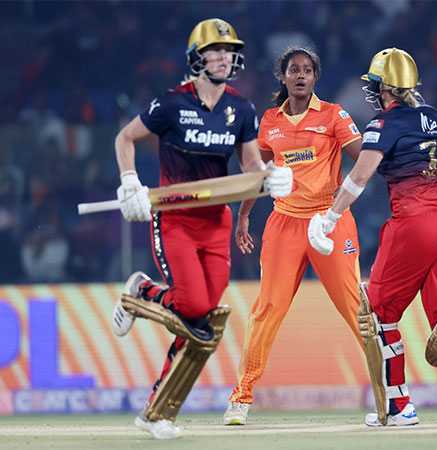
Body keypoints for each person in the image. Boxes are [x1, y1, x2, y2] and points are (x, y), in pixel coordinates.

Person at [109, 18, 292, 439]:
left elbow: (249, 164)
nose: (225, 56)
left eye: (230, 50)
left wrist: (270, 175)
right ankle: (141, 291)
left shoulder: (241, 109)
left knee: (202, 320)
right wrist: (130, 181)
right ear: (197, 57)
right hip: (174, 218)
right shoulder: (172, 104)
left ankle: (158, 409)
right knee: (192, 306)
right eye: (216, 50)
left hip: (216, 222)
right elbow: (124, 138)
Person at [308, 48, 437, 426]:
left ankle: (400, 407)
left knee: (379, 313)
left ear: (383, 87)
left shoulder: (383, 125)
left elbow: (360, 178)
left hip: (416, 225)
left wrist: (330, 217)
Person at [223, 47, 364, 426]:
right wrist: (244, 217)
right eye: (293, 70)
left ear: (315, 77)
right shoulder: (269, 121)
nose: (300, 75)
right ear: (283, 77)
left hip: (330, 222)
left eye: (307, 70)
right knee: (267, 311)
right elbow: (259, 174)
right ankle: (241, 397)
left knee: (357, 310)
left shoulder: (334, 115)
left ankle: (392, 391)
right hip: (284, 224)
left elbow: (366, 157)